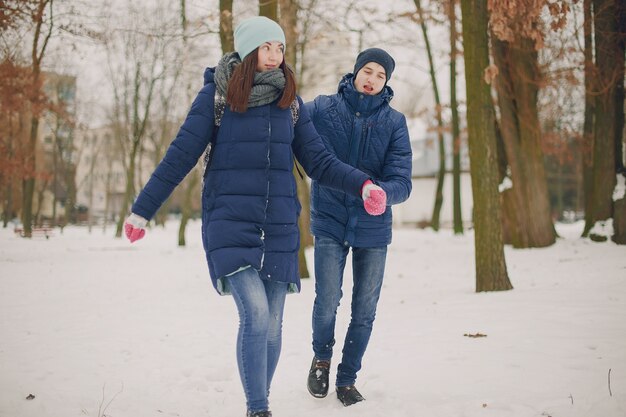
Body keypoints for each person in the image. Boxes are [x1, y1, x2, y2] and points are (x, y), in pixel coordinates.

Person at [122, 17, 387, 417]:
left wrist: (363, 184)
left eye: (280, 49)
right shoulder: (218, 95)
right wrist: (142, 210)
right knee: (257, 315)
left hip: (279, 224)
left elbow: (319, 160)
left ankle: (257, 404)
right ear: (248, 51)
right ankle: (258, 408)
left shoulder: (290, 103)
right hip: (229, 220)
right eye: (267, 47)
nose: (275, 56)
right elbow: (180, 155)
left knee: (274, 324)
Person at [304, 47, 413, 406]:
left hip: (373, 227)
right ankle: (321, 360)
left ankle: (347, 379)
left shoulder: (394, 123)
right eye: (368, 71)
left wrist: (385, 192)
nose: (372, 79)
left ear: (386, 83)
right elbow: (289, 129)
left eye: (381, 76)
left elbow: (403, 180)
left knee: (364, 308)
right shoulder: (321, 108)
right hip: (330, 219)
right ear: (355, 72)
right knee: (327, 300)